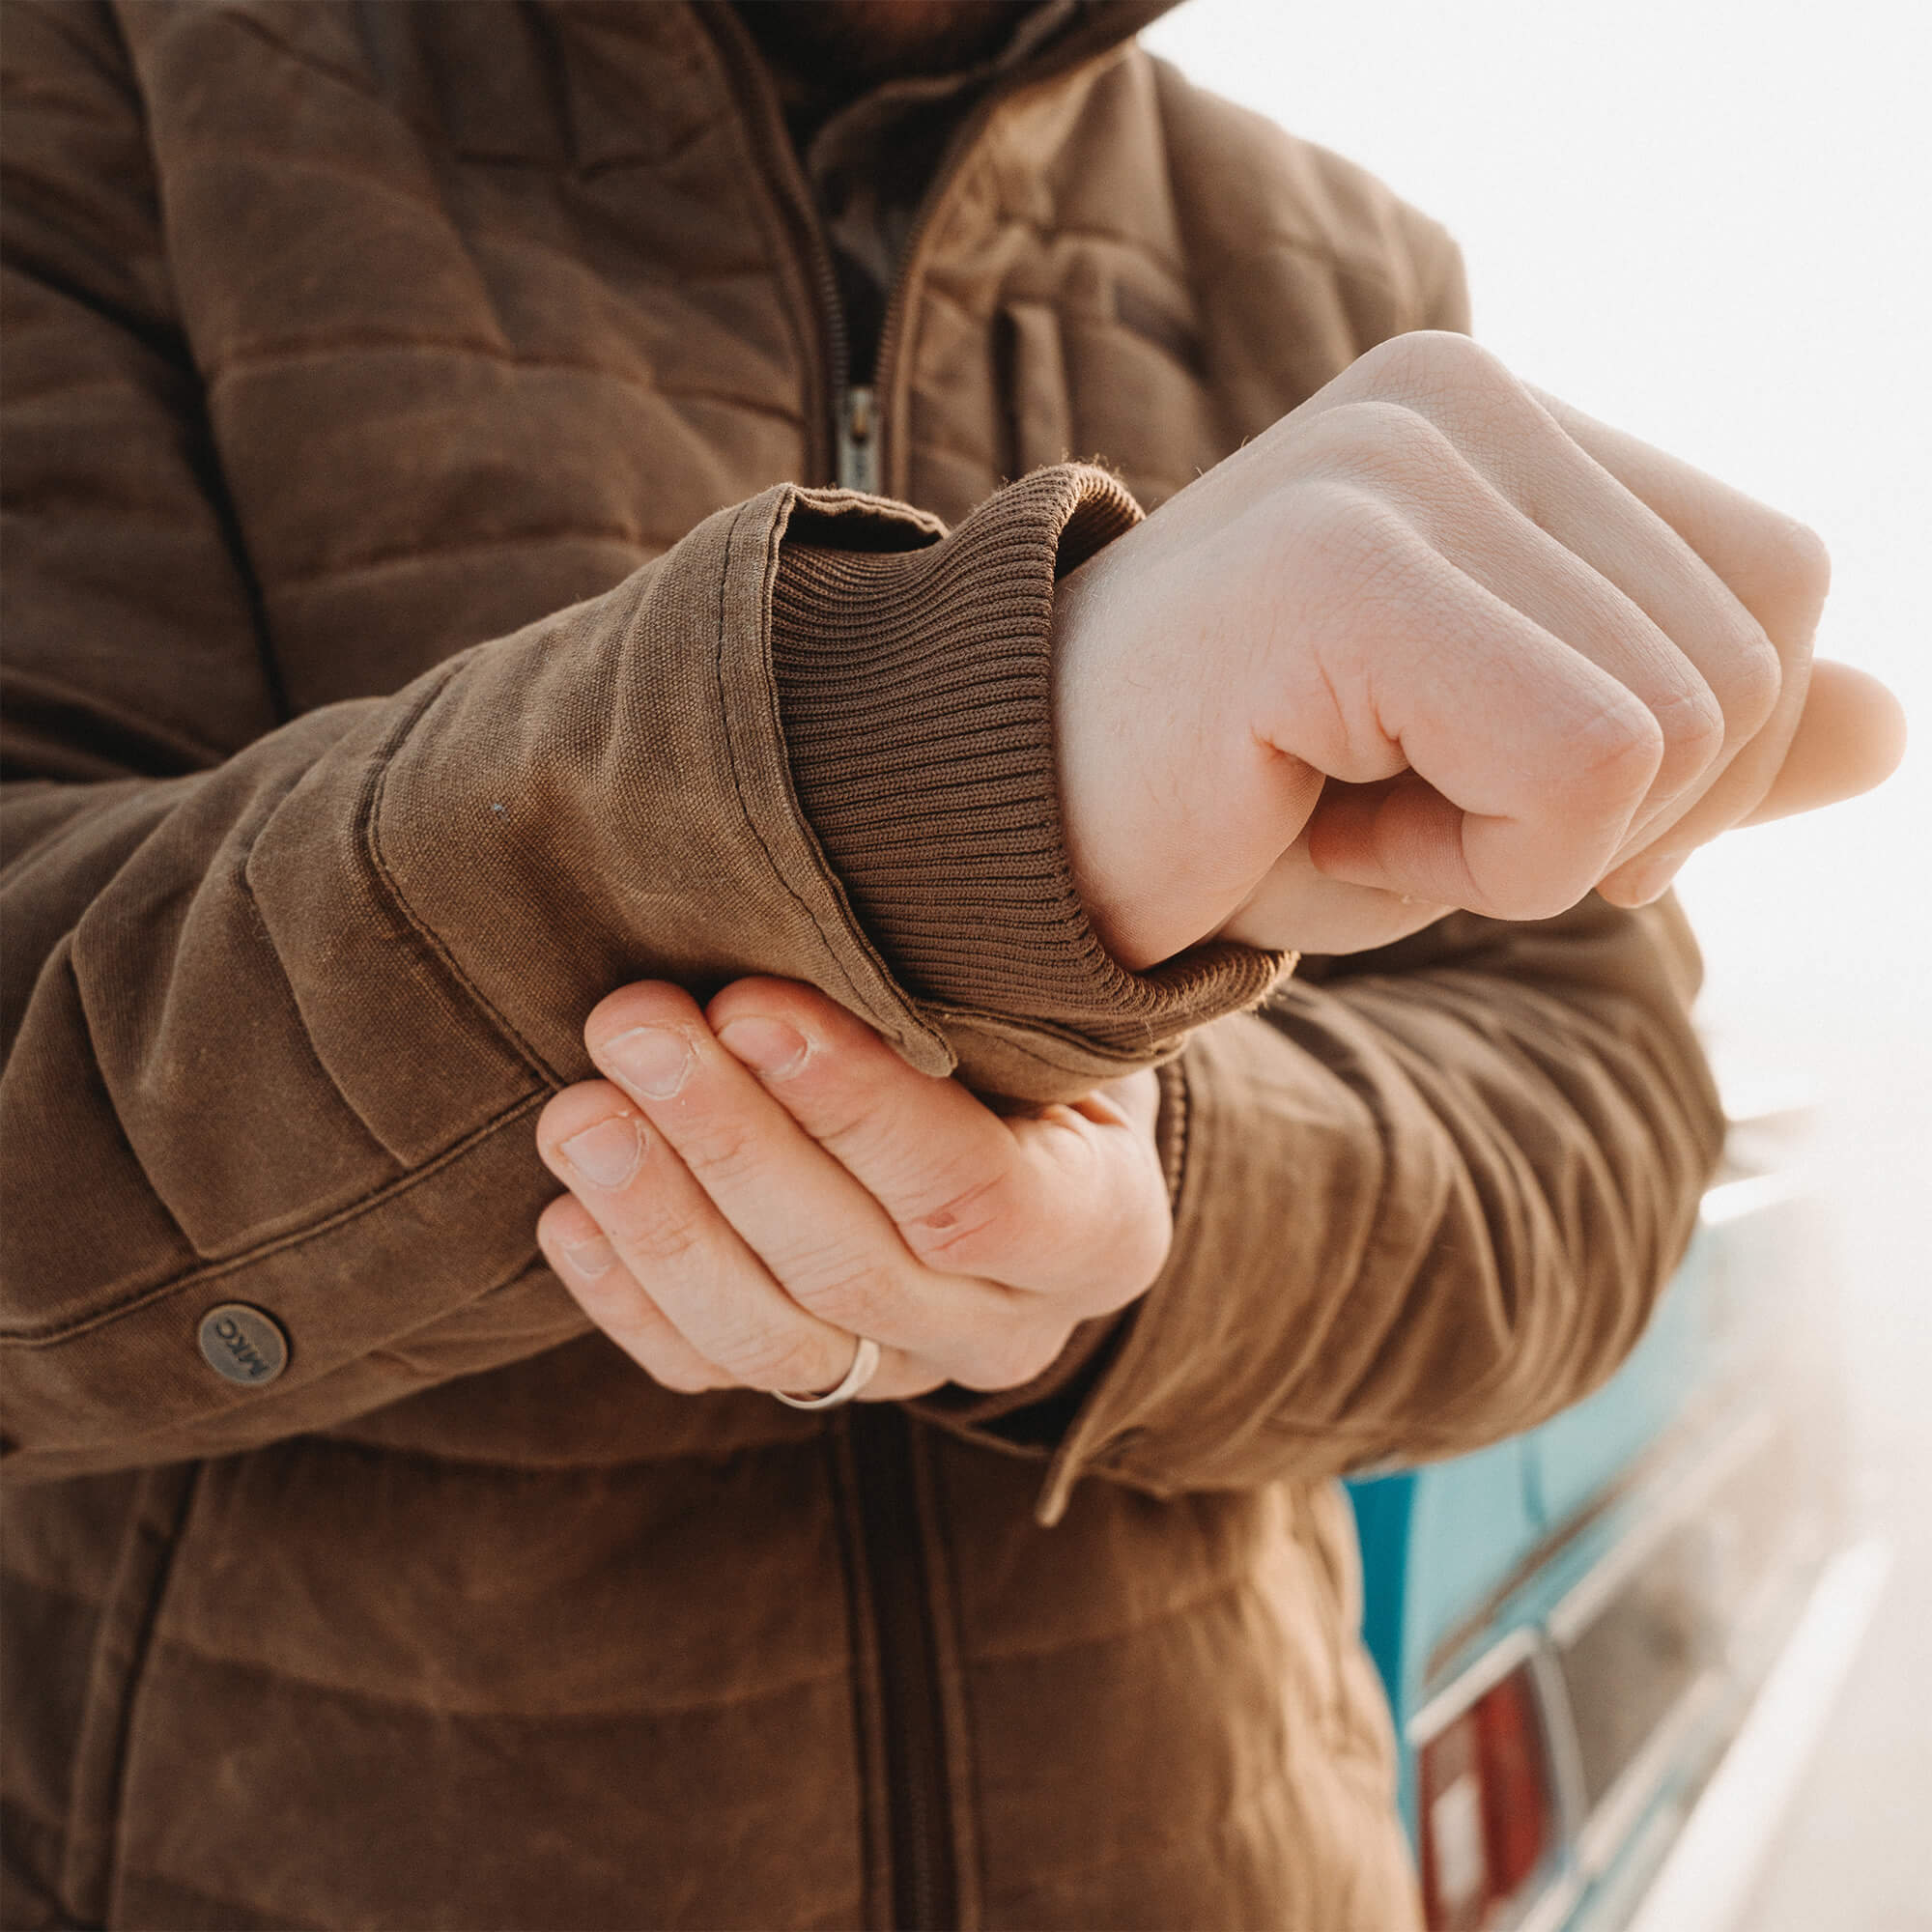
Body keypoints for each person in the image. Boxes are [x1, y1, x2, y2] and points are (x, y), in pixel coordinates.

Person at [0, 3, 1902, 1928]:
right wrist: (944, 767)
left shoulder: (1333, 261)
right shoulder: (115, 71)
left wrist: (1144, 1205)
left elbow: (1593, 1121)